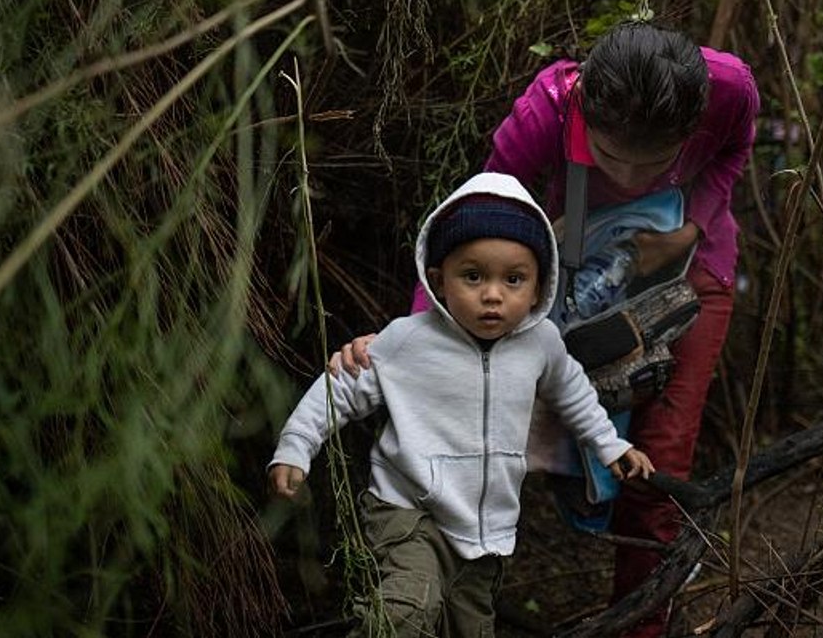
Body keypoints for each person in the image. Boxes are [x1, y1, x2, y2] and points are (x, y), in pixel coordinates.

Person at [335, 21, 759, 638]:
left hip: (690, 267)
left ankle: (643, 622)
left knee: (662, 459)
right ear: (587, 108)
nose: (633, 178)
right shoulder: (549, 111)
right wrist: (414, 342)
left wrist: (689, 229)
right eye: (613, 159)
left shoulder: (729, 88)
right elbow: (471, 228)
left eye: (654, 163)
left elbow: (734, 150)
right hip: (575, 274)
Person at [269, 172, 654, 637]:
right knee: (407, 610)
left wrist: (609, 445)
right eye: (473, 276)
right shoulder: (407, 340)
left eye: (514, 279)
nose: (493, 294)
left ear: (538, 287)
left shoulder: (542, 344)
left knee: (470, 627)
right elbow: (341, 389)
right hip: (408, 507)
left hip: (487, 525)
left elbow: (573, 393)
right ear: (439, 279)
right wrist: (295, 445)